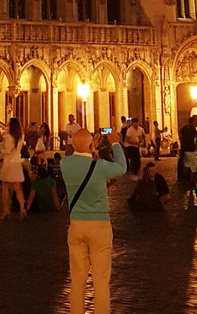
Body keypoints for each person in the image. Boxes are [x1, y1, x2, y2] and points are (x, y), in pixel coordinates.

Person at [61, 126, 127, 314]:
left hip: (76, 225)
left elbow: (75, 156)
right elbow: (122, 167)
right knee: (100, 281)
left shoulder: (65, 164)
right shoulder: (100, 168)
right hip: (99, 226)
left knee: (77, 280)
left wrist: (89, 148)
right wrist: (114, 142)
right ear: (90, 145)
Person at [0, 117, 27, 219]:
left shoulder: (8, 137)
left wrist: (0, 150)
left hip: (8, 163)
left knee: (5, 188)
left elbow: (7, 151)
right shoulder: (21, 136)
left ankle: (6, 210)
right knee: (18, 189)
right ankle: (22, 209)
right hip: (17, 163)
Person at [178, 115, 197, 188]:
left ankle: (183, 179)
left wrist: (182, 142)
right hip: (191, 149)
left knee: (186, 165)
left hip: (184, 149)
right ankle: (191, 181)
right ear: (193, 122)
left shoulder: (183, 129)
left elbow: (180, 136)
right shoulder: (193, 129)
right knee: (194, 166)